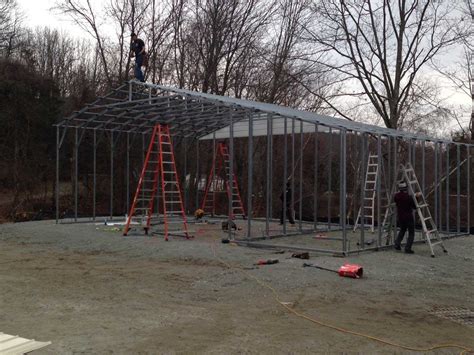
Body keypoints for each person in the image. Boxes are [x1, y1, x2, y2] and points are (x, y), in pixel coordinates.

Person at [394, 181, 418, 254]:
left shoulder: (396, 196)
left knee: (402, 230)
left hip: (400, 216)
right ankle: (407, 248)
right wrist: (416, 198)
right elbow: (414, 206)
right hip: (408, 217)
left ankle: (397, 244)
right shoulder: (408, 197)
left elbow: (397, 202)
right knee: (411, 233)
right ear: (405, 188)